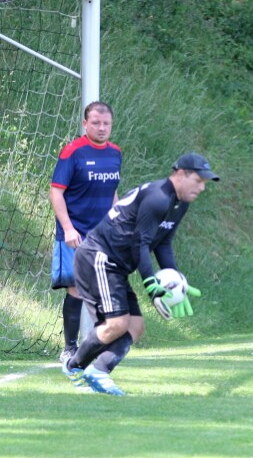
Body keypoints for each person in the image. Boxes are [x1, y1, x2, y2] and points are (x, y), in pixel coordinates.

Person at [61, 153, 220, 395]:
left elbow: (163, 242)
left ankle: (99, 371)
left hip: (116, 265)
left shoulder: (180, 203)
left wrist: (176, 279)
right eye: (198, 180)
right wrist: (151, 285)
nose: (201, 187)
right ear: (180, 174)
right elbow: (140, 243)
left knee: (135, 326)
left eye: (204, 183)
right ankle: (74, 367)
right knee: (116, 324)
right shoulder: (158, 198)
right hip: (98, 257)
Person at [49, 101, 121, 363]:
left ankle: (99, 344)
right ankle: (69, 348)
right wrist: (68, 229)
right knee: (77, 288)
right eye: (96, 123)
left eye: (106, 123)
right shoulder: (72, 152)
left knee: (102, 288)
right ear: (85, 124)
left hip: (102, 234)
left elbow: (113, 191)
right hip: (76, 233)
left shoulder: (115, 153)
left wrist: (117, 223)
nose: (101, 128)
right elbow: (56, 191)